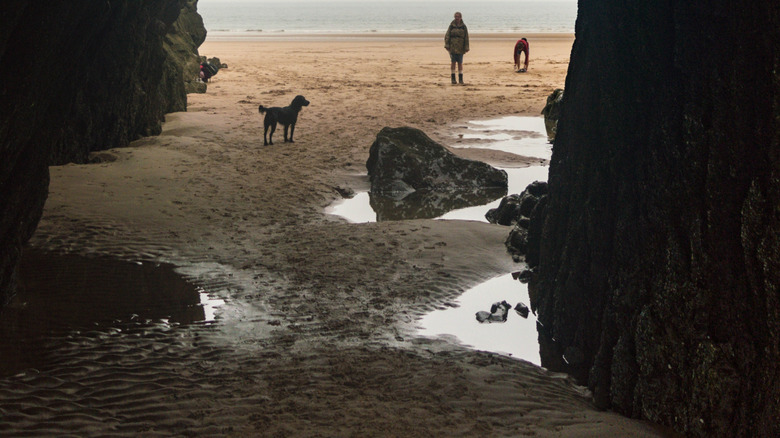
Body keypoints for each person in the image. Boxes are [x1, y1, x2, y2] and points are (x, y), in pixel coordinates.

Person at [444, 11, 469, 85]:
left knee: (460, 63)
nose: (456, 18)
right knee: (453, 62)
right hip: (452, 46)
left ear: (461, 18)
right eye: (455, 17)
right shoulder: (451, 26)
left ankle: (461, 79)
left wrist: (467, 47)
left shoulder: (464, 26)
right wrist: (447, 45)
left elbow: (466, 37)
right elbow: (447, 36)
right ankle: (453, 79)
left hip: (460, 47)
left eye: (458, 17)